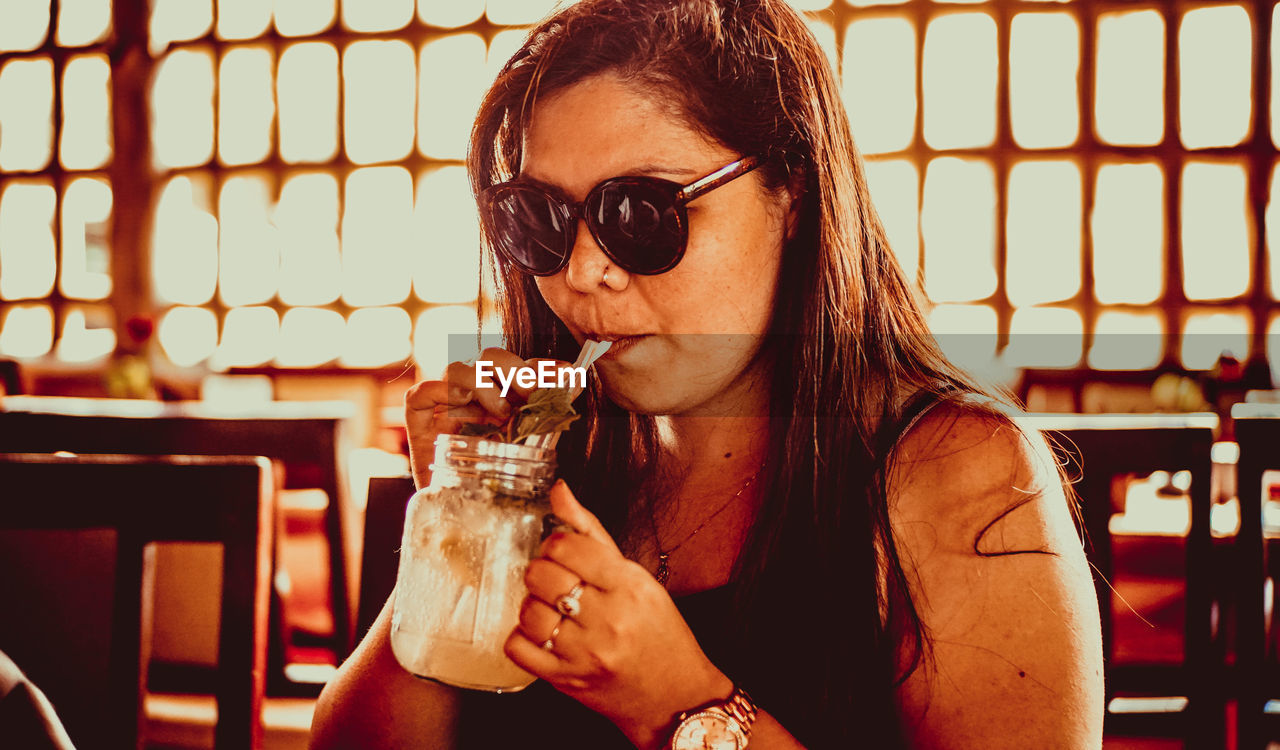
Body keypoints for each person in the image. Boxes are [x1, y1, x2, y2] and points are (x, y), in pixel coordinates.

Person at [310, 0, 1103, 747]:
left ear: (791, 192)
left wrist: (680, 706)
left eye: (643, 214)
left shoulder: (960, 475)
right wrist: (462, 520)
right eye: (540, 216)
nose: (584, 272)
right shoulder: (553, 455)